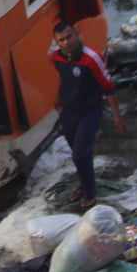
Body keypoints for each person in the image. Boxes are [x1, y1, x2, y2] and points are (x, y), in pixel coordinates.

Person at [51, 17, 125, 208]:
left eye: (69, 37)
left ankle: (90, 193)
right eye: (62, 40)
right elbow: (64, 80)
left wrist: (117, 117)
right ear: (57, 42)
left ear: (77, 35)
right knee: (78, 153)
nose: (67, 42)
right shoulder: (56, 57)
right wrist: (58, 103)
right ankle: (84, 184)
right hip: (68, 112)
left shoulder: (91, 58)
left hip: (89, 112)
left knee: (79, 155)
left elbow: (108, 87)